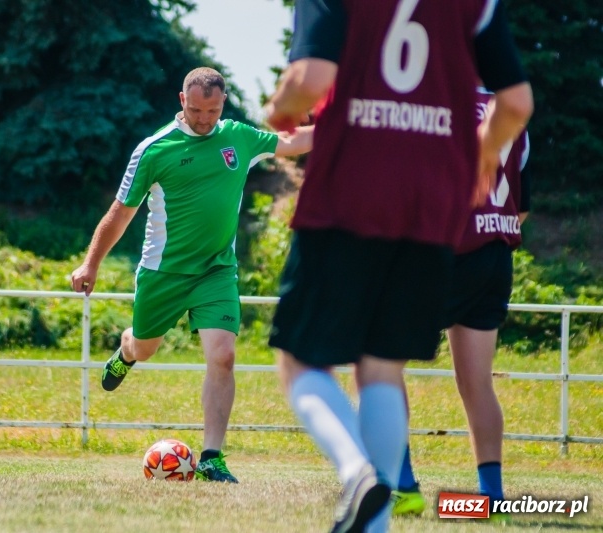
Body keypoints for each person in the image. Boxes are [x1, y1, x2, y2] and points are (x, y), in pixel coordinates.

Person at [263, 1, 533, 532]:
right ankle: (377, 523)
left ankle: (358, 472)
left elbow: (311, 77)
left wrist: (280, 110)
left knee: (299, 361)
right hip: (432, 206)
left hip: (351, 194)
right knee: (381, 367)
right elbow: (517, 102)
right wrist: (484, 151)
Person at [70, 67, 314, 483]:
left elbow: (291, 143)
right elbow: (120, 214)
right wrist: (90, 263)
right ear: (182, 101)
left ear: (224, 104)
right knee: (145, 348)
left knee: (223, 355)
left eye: (213, 110)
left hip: (216, 271)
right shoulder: (154, 150)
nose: (205, 119)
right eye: (198, 110)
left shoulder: (237, 136)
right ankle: (126, 351)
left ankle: (212, 457)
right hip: (163, 272)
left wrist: (344, 123)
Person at [393, 88, 532, 518]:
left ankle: (401, 486)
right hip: (495, 256)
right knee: (477, 383)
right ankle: (491, 496)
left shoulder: (426, 103)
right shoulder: (507, 108)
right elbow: (521, 204)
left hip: (444, 250)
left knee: (375, 361)